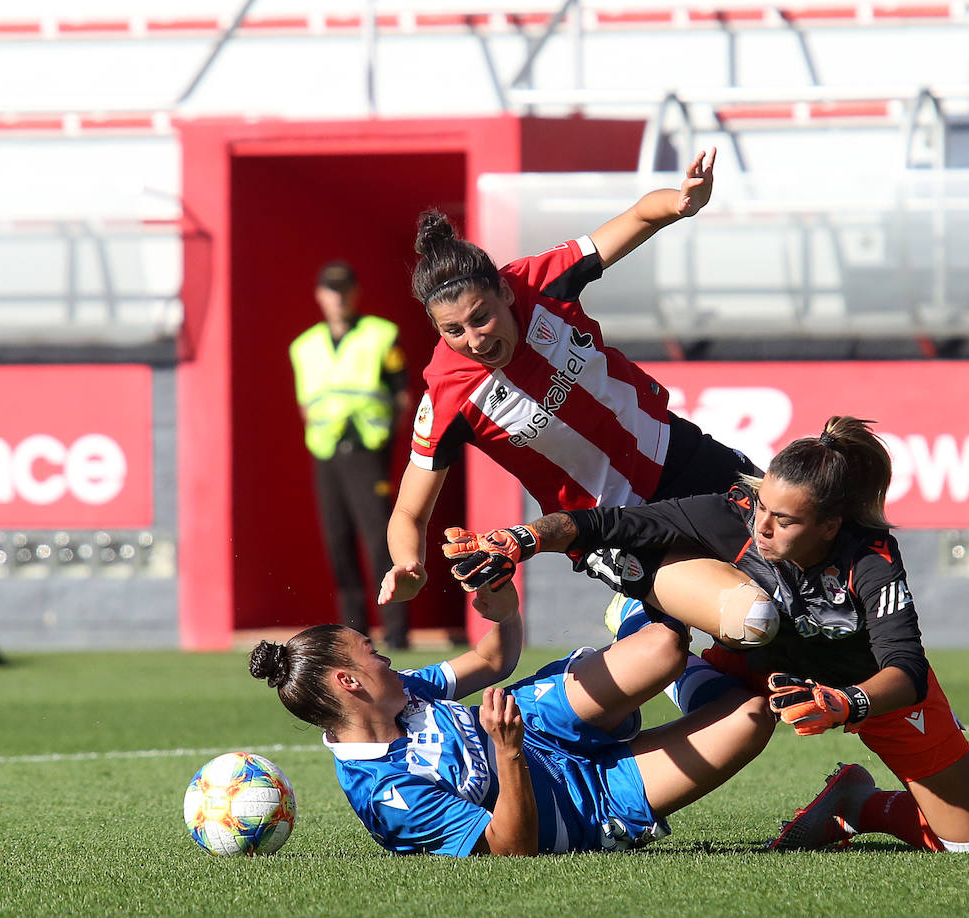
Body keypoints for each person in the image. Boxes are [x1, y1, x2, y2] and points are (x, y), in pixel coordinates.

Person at [443, 416, 969, 853]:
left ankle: (855, 804)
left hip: (863, 688)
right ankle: (646, 620)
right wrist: (522, 538)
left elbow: (904, 669)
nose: (762, 525)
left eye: (784, 520)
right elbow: (611, 523)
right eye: (763, 505)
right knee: (748, 624)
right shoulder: (732, 513)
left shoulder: (871, 560)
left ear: (830, 526)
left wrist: (847, 702)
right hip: (758, 666)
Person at [378, 148, 759, 608]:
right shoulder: (447, 395)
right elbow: (409, 511)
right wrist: (407, 563)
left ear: (503, 290)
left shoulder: (540, 283)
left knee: (807, 530)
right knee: (746, 618)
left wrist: (681, 203)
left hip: (674, 451)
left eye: (482, 319)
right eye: (453, 330)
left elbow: (640, 217)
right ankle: (645, 625)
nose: (475, 341)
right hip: (609, 524)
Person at [248, 576, 775, 856]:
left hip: (540, 720)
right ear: (349, 682)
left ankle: (636, 623)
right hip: (586, 806)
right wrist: (506, 751)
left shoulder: (398, 692)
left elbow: (490, 660)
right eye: (371, 651)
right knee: (754, 714)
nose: (384, 656)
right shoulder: (388, 796)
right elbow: (511, 849)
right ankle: (696, 683)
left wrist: (502, 609)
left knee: (663, 646)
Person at [291, 260, 413, 649]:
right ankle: (354, 634)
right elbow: (306, 402)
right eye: (331, 290)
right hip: (326, 449)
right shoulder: (304, 346)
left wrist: (385, 442)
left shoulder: (381, 335)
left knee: (379, 539)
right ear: (319, 295)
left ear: (354, 293)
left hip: (367, 446)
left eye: (344, 289)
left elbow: (402, 396)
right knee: (337, 540)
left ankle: (395, 632)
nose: (338, 298)